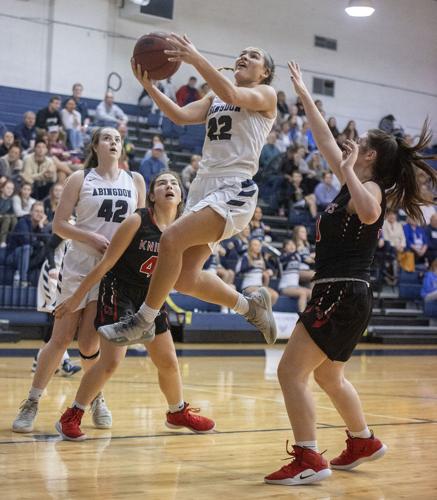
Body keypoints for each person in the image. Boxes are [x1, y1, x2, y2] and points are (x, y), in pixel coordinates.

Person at [264, 61, 437, 486]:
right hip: (343, 293)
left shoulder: (372, 187)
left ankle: (308, 458)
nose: (350, 145)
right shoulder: (349, 179)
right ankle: (362, 440)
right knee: (327, 374)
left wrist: (346, 168)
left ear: (371, 156)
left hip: (341, 292)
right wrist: (304, 94)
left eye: (360, 144)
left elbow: (369, 212)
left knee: (291, 372)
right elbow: (323, 135)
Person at [98, 35, 278, 347]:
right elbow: (180, 116)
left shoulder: (266, 94)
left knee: (170, 239)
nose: (244, 56)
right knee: (184, 277)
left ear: (264, 73)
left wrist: (195, 58)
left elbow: (232, 91)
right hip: (203, 186)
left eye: (253, 55)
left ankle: (144, 320)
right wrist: (151, 87)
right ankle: (251, 307)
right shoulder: (215, 97)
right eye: (242, 52)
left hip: (234, 186)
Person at [53, 171, 215, 439]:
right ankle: (72, 415)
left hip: (151, 296)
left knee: (169, 362)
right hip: (119, 291)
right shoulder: (137, 221)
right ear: (152, 195)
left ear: (181, 196)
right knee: (111, 361)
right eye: (162, 182)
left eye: (174, 183)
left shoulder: (185, 230)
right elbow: (106, 264)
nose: (169, 186)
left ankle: (177, 412)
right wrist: (74, 299)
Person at [11, 127, 146, 434]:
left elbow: (140, 227)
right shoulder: (79, 178)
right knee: (60, 337)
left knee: (88, 341)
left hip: (113, 269)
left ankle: (95, 396)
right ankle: (32, 401)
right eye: (107, 138)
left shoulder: (134, 180)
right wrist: (90, 236)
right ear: (95, 145)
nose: (113, 142)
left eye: (117, 139)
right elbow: (59, 225)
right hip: (79, 264)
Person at [34, 231, 81, 376]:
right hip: (53, 273)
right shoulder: (70, 225)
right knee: (58, 314)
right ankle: (65, 363)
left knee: (57, 317)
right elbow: (49, 246)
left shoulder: (88, 228)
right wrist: (53, 268)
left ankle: (40, 358)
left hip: (66, 275)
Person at [6, 201, 49, 286]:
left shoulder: (41, 226)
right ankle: (23, 280)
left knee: (46, 249)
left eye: (41, 212)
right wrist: (38, 243)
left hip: (30, 259)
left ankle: (44, 283)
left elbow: (48, 242)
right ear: (30, 212)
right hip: (13, 257)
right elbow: (26, 241)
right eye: (36, 211)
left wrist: (41, 226)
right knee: (27, 248)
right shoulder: (23, 222)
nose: (39, 214)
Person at [278, 239, 311, 312]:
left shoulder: (298, 256)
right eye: (288, 244)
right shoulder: (283, 256)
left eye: (293, 244)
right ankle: (302, 318)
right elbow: (285, 259)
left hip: (295, 286)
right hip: (285, 287)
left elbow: (309, 260)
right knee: (303, 293)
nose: (292, 246)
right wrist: (297, 251)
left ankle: (311, 316)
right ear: (284, 248)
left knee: (312, 293)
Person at [0, 179, 17, 247]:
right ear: (2, 188)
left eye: (12, 189)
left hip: (5, 218)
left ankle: (13, 240)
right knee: (7, 218)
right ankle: (2, 241)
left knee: (14, 218)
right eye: (8, 188)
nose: (10, 190)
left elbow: (12, 213)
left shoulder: (11, 200)